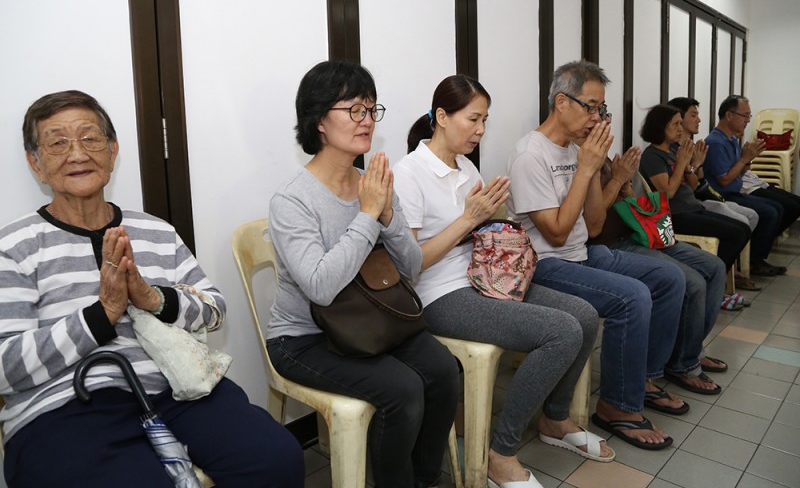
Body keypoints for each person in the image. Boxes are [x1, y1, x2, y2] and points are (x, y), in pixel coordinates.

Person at [0, 90, 303, 487]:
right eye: (58, 143)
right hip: (66, 406)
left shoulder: (155, 231)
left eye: (90, 138)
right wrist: (101, 315)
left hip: (176, 389)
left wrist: (153, 298)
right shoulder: (14, 247)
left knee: (275, 458)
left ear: (113, 151)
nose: (77, 154)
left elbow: (214, 310)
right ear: (35, 163)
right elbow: (5, 367)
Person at [393, 75, 612, 488]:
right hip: (438, 295)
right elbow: (412, 264)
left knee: (583, 315)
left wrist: (494, 223)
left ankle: (555, 419)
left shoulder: (465, 166)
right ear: (442, 117)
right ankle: (501, 452)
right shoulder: (409, 173)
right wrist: (469, 219)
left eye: (485, 121)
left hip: (484, 279)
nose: (480, 130)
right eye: (473, 119)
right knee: (561, 330)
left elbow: (474, 233)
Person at [267, 61, 459, 488]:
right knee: (403, 390)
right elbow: (320, 287)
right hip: (304, 338)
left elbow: (411, 266)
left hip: (370, 321)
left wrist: (386, 213)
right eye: (354, 109)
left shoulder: (372, 183)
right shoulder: (292, 200)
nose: (367, 120)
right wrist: (369, 215)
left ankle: (424, 479)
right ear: (319, 120)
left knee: (444, 371)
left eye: (372, 109)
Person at [506, 60, 684, 451]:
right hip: (545, 264)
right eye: (590, 107)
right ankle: (617, 405)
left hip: (583, 252)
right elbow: (555, 233)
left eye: (601, 109)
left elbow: (595, 223)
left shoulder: (575, 149)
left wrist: (592, 169)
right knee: (632, 297)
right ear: (561, 103)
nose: (596, 117)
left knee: (670, 278)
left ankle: (642, 378)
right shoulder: (529, 156)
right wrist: (586, 170)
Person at [586, 137, 727, 398]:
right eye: (594, 115)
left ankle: (688, 351)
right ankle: (679, 364)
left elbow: (634, 203)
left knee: (714, 267)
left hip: (638, 233)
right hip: (611, 244)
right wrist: (617, 180)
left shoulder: (604, 157)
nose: (600, 121)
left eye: (603, 117)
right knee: (691, 282)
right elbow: (592, 225)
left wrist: (626, 185)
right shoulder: (581, 161)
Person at [638, 104, 752, 311]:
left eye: (681, 124)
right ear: (660, 126)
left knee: (742, 228)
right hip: (675, 215)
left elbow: (692, 186)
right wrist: (682, 163)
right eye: (675, 124)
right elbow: (667, 193)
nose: (680, 129)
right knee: (735, 233)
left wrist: (694, 165)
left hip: (692, 207)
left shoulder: (675, 151)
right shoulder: (652, 156)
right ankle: (714, 290)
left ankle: (714, 286)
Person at [667, 96, 761, 291]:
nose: (699, 120)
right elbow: (675, 192)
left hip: (699, 201)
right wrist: (689, 165)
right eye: (693, 115)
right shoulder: (667, 152)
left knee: (750, 217)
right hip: (689, 207)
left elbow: (698, 184)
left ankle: (725, 271)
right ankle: (717, 277)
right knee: (742, 223)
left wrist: (696, 165)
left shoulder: (693, 146)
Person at [704, 95, 800, 276]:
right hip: (723, 195)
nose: (748, 120)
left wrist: (748, 159)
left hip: (735, 190)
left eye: (749, 116)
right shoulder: (716, 142)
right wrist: (744, 159)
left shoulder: (731, 139)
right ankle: (754, 259)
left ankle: (755, 254)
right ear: (729, 115)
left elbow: (738, 174)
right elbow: (724, 180)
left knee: (779, 208)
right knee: (770, 212)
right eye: (745, 115)